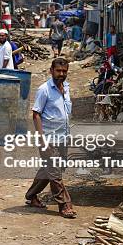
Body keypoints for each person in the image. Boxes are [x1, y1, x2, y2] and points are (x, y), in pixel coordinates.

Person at [25, 58, 76, 219]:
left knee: (51, 169)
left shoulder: (66, 87)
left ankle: (31, 195)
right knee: (54, 173)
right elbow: (36, 114)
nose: (61, 74)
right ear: (51, 71)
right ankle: (65, 205)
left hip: (62, 137)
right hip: (48, 138)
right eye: (58, 71)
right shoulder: (44, 89)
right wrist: (41, 139)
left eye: (64, 71)